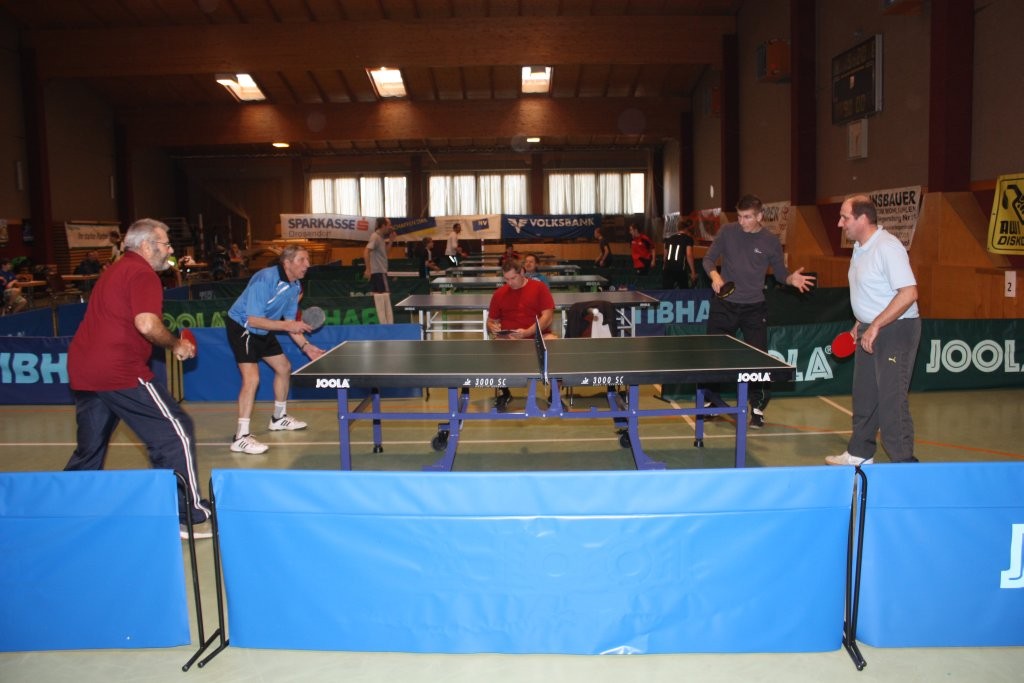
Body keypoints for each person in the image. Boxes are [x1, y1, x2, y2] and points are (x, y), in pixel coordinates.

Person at [62, 219, 211, 538]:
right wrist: (176, 345)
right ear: (146, 246)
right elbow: (146, 323)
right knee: (175, 433)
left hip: (85, 368)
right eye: (166, 244)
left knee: (89, 450)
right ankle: (185, 512)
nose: (170, 251)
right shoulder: (142, 273)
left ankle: (63, 507)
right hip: (119, 369)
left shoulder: (115, 269)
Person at [701, 194, 816, 428]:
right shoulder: (728, 232)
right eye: (739, 216)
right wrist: (715, 276)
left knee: (758, 360)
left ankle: (757, 406)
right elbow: (708, 259)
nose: (742, 222)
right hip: (724, 304)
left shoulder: (770, 241)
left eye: (747, 217)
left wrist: (790, 279)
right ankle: (712, 401)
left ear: (760, 216)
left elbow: (781, 273)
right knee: (713, 355)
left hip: (754, 307)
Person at [826, 195, 921, 466]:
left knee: (892, 399)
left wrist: (876, 324)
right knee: (865, 395)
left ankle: (904, 463)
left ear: (863, 219)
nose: (840, 223)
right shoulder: (860, 248)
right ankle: (859, 452)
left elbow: (909, 293)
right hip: (869, 328)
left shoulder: (887, 247)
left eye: (845, 217)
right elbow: (873, 292)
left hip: (896, 330)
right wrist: (860, 324)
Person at [226, 245, 326, 455]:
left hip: (264, 327)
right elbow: (253, 319)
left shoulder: (295, 287)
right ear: (287, 262)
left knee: (284, 367)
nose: (307, 264)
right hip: (243, 327)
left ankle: (278, 418)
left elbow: (290, 322)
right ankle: (240, 437)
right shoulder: (265, 279)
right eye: (302, 260)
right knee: (252, 379)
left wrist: (307, 347)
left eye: (308, 260)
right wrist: (288, 325)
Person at [486, 259, 556, 411]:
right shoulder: (499, 294)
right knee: (495, 345)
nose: (510, 283)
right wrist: (492, 326)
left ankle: (554, 395)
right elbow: (490, 321)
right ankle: (504, 393)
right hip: (509, 338)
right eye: (506, 279)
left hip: (538, 335)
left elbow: (548, 317)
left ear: (522, 272)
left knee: (555, 344)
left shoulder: (539, 288)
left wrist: (527, 332)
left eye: (513, 278)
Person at [364, 217, 395, 324]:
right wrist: (368, 269)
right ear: (383, 226)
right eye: (389, 225)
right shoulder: (375, 237)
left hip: (379, 273)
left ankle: (383, 324)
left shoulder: (380, 238)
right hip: (379, 273)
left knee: (379, 301)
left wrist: (391, 241)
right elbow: (366, 251)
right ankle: (388, 325)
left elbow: (385, 253)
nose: (390, 227)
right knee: (386, 299)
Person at [662, 219, 697, 289]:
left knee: (667, 291)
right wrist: (693, 271)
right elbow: (689, 255)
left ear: (678, 228)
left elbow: (665, 255)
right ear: (686, 229)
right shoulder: (688, 239)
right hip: (680, 268)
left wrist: (664, 266)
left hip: (668, 268)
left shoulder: (669, 239)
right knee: (683, 291)